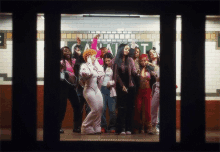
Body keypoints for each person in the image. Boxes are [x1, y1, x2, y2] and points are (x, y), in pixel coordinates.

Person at [111, 44, 138, 135]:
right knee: (121, 108)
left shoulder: (130, 60)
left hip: (130, 86)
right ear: (121, 49)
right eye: (126, 49)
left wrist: (138, 73)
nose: (127, 50)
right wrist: (122, 85)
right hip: (120, 86)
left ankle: (128, 128)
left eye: (128, 49)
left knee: (130, 108)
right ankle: (121, 128)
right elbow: (116, 75)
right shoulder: (115, 60)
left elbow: (134, 72)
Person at [79, 49, 105, 134]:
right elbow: (86, 74)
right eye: (94, 56)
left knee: (100, 108)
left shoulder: (94, 66)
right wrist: (90, 64)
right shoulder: (84, 66)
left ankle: (97, 126)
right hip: (88, 89)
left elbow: (101, 74)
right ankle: (85, 126)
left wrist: (96, 65)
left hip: (96, 89)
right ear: (88, 57)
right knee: (95, 109)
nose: (95, 58)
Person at [59, 46, 81, 134]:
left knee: (77, 105)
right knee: (62, 107)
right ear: (62, 53)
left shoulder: (73, 61)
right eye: (65, 51)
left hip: (72, 87)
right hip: (63, 86)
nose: (67, 52)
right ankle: (58, 126)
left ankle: (76, 127)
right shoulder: (61, 62)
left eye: (68, 51)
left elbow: (79, 60)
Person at [72, 38, 91, 133]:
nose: (86, 56)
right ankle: (77, 127)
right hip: (79, 89)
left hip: (88, 89)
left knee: (89, 109)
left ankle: (86, 127)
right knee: (78, 108)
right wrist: (78, 45)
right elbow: (75, 56)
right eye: (85, 55)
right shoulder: (78, 62)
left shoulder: (90, 64)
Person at [133, 54, 153, 134]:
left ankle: (148, 128)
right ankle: (138, 127)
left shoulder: (150, 69)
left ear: (147, 61)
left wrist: (151, 65)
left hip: (148, 91)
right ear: (139, 61)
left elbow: (155, 75)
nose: (143, 62)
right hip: (139, 91)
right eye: (142, 61)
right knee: (138, 109)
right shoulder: (137, 68)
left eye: (145, 60)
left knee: (147, 110)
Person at [100, 52, 117, 133]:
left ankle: (112, 127)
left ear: (112, 60)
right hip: (102, 89)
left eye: (109, 60)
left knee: (112, 110)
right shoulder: (102, 68)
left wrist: (112, 83)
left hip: (111, 90)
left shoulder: (115, 68)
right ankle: (103, 126)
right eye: (106, 61)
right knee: (102, 109)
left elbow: (118, 79)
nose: (107, 62)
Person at [147, 48, 160, 134]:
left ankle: (158, 126)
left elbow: (157, 68)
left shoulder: (157, 64)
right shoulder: (148, 66)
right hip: (155, 87)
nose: (152, 54)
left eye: (154, 52)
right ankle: (154, 126)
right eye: (150, 53)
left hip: (161, 86)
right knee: (153, 107)